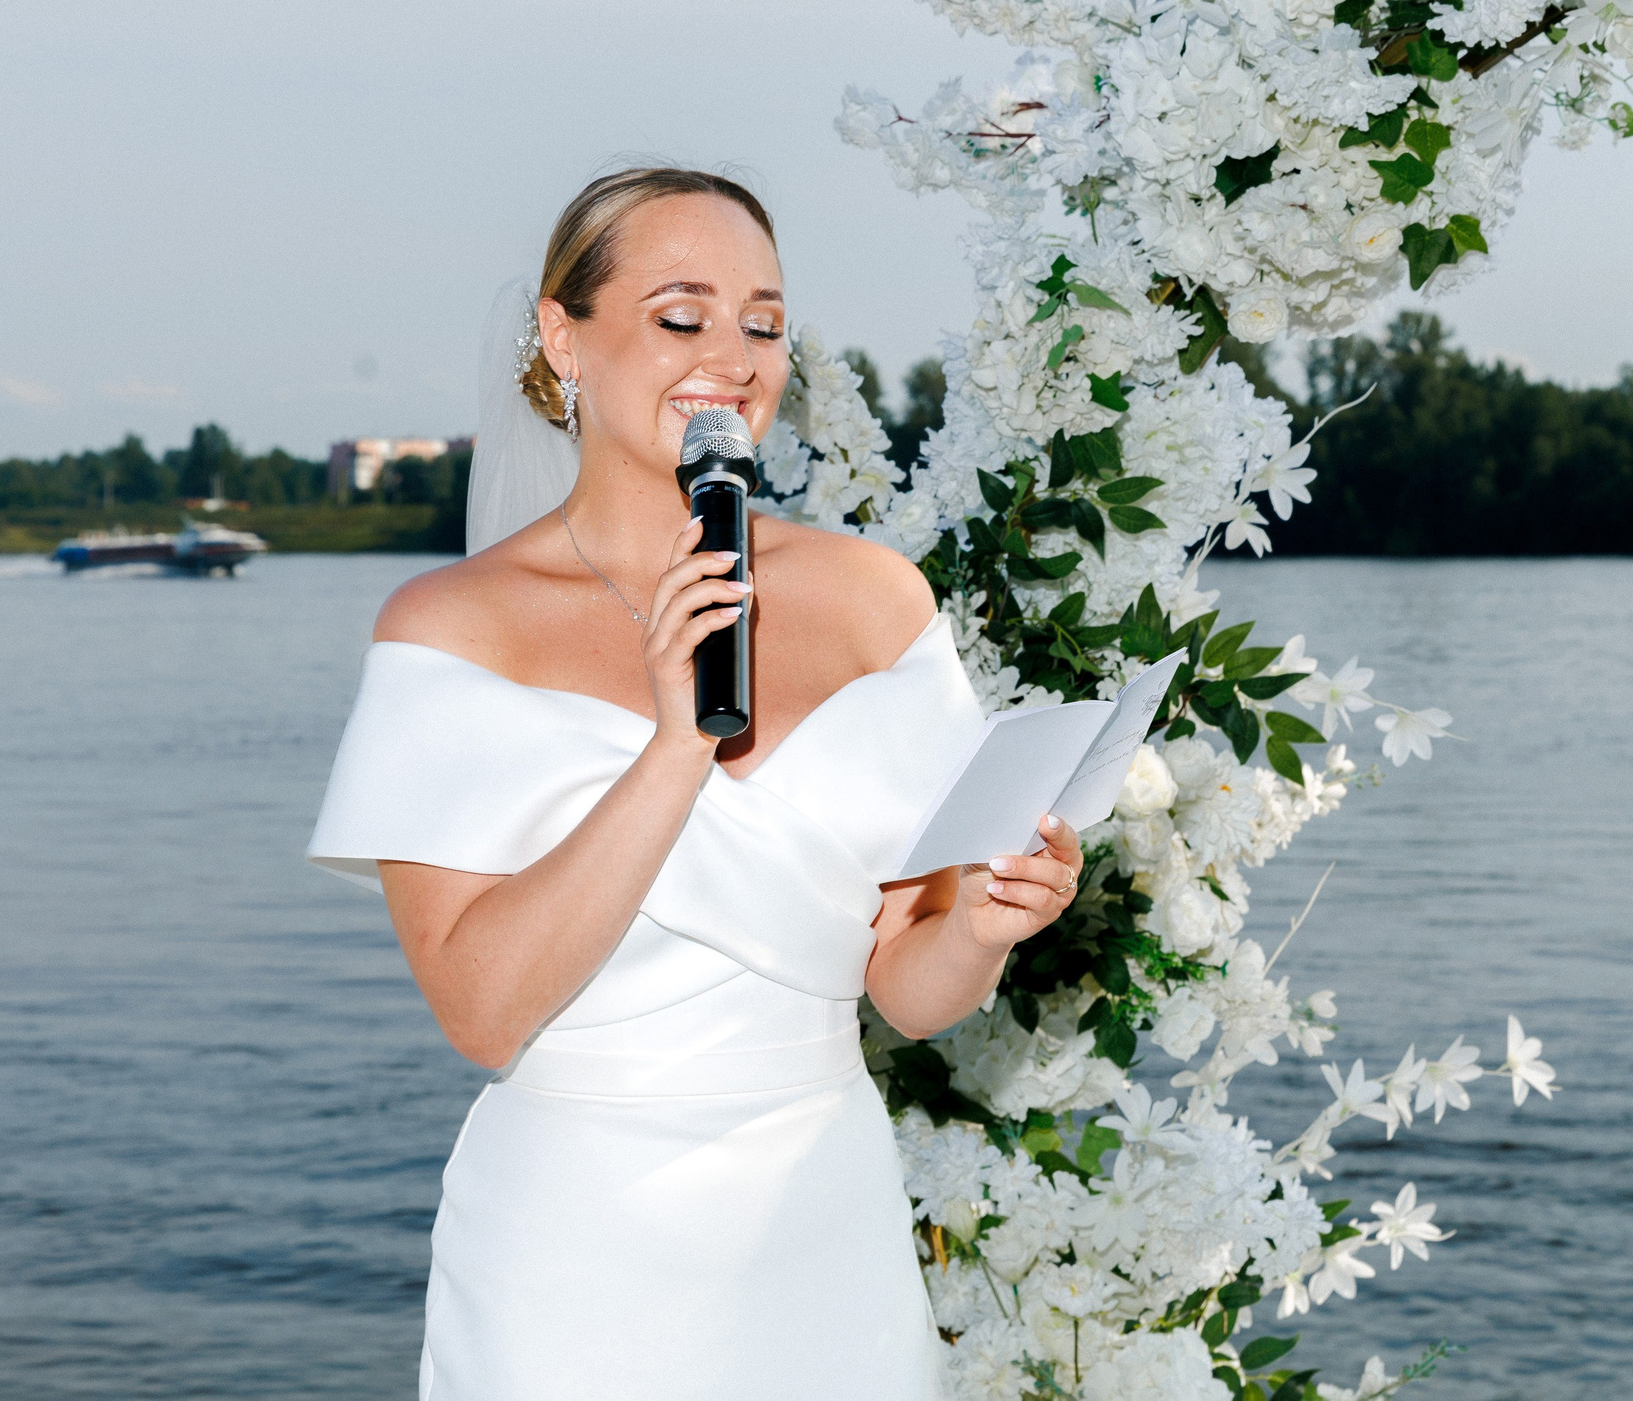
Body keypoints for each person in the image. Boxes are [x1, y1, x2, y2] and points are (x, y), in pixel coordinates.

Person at [307, 167, 1079, 1399]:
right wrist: (675, 746)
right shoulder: (450, 630)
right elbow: (481, 1013)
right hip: (578, 1249)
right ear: (564, 338)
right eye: (682, 316)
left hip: (823, 1230)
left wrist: (985, 927)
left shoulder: (878, 603)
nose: (733, 359)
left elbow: (909, 992)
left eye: (763, 325)